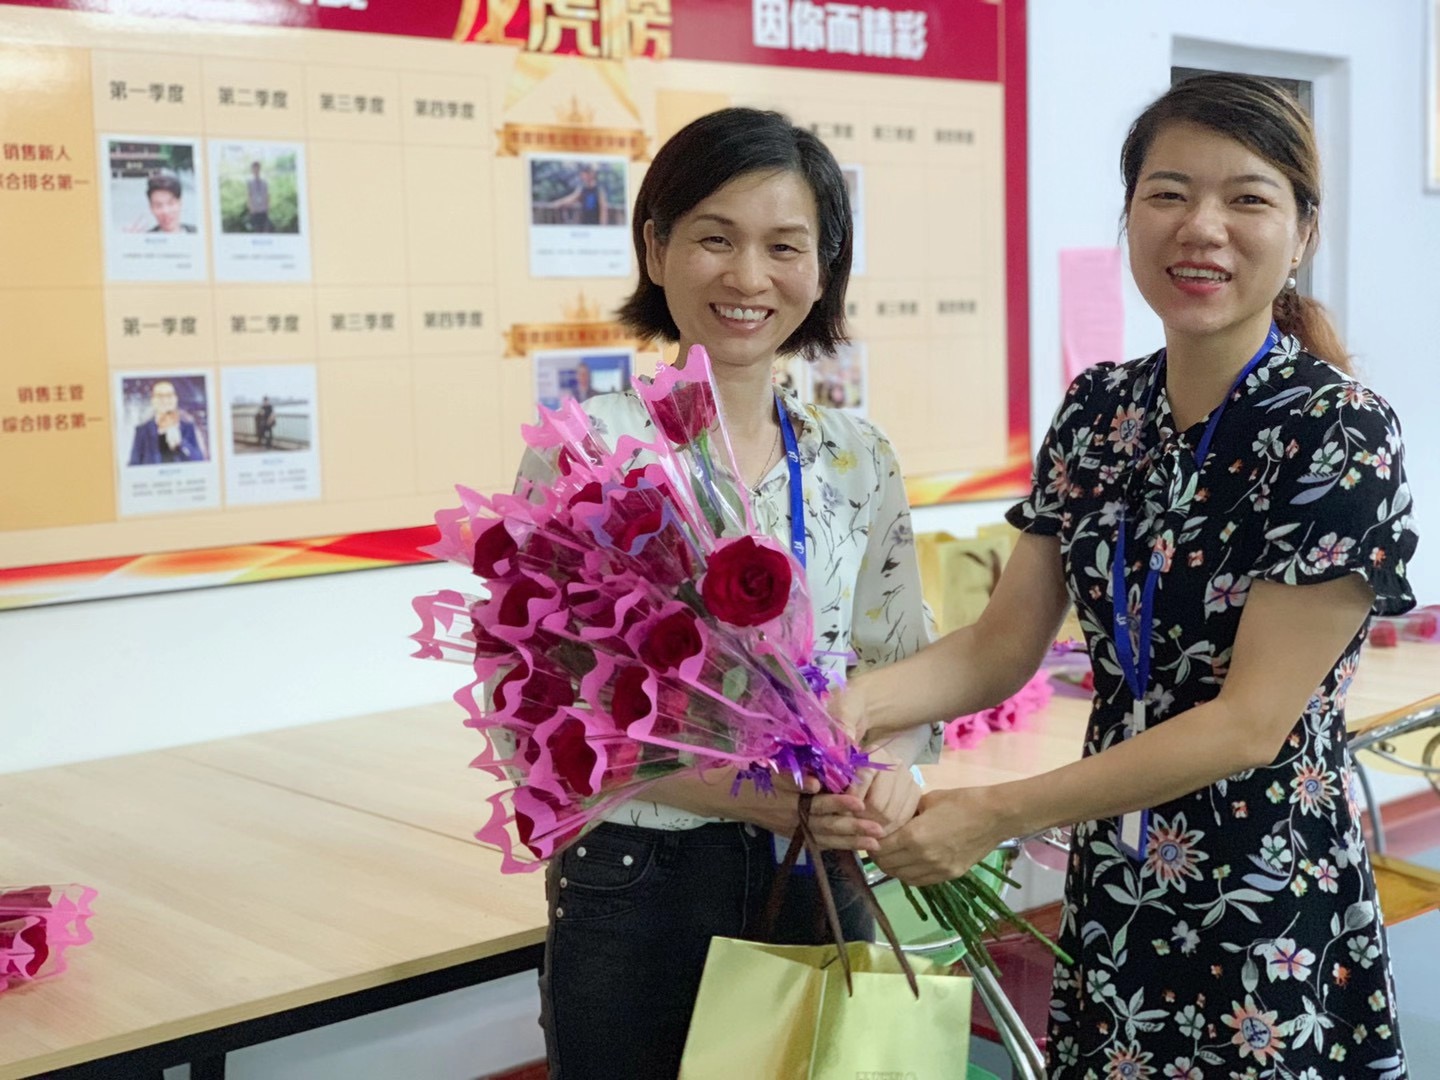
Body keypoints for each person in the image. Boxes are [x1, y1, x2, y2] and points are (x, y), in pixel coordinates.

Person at [829, 74, 1418, 1078]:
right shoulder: (1100, 409)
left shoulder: (1339, 431)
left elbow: (1249, 724)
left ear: (1303, 233)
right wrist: (853, 707)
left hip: (1264, 884)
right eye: (1168, 193)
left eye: (1246, 198)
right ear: (1130, 213)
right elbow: (1000, 645)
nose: (1201, 227)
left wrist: (996, 814)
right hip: (1117, 869)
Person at [528, 107, 938, 1079]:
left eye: (784, 246)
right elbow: (538, 716)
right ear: (656, 249)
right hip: (640, 879)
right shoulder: (594, 453)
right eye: (715, 238)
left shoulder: (856, 456)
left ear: (824, 267)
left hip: (822, 869)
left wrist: (889, 773)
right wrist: (749, 797)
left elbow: (901, 666)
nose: (749, 277)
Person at [128, 379, 206, 465]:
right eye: (160, 396)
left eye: (169, 395)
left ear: (175, 399)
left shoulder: (188, 428)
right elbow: (133, 465)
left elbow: (200, 460)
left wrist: (181, 443)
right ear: (153, 400)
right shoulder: (142, 431)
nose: (165, 400)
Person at [542, 162, 607, 225]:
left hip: (596, 223)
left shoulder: (598, 189)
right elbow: (571, 199)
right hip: (585, 222)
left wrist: (602, 227)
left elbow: (603, 209)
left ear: (592, 174)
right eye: (583, 174)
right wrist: (556, 204)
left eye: (587, 173)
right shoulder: (583, 189)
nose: (584, 176)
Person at [246, 161, 272, 232]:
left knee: (265, 230)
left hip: (263, 209)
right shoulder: (249, 182)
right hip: (255, 210)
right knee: (256, 230)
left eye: (257, 168)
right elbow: (249, 195)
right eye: (254, 169)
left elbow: (267, 194)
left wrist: (268, 206)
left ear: (260, 169)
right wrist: (250, 207)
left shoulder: (265, 181)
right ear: (252, 170)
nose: (256, 171)